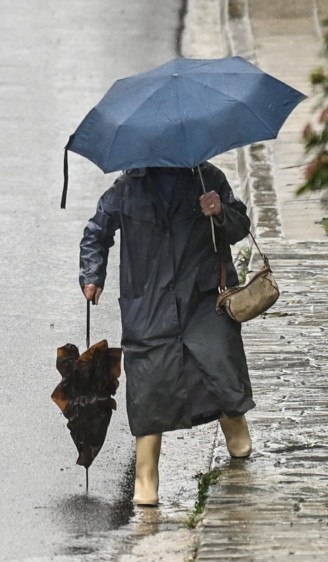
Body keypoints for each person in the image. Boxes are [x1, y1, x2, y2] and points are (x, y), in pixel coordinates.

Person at [79, 162, 254, 506]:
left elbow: (239, 226)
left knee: (217, 364)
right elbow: (97, 232)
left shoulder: (208, 178)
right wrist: (92, 274)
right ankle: (146, 477)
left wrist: (219, 212)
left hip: (202, 299)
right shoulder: (127, 188)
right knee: (148, 384)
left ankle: (235, 427)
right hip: (149, 303)